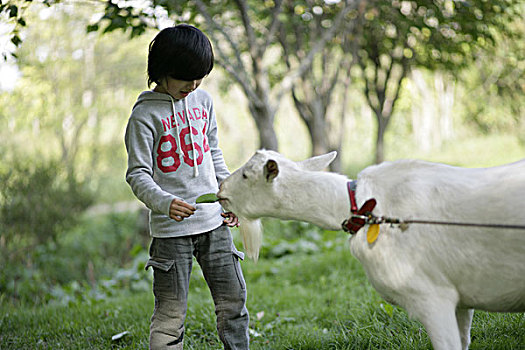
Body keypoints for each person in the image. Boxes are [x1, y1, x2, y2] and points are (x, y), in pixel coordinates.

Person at [125, 24, 250, 350]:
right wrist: (165, 202)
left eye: (199, 78)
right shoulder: (144, 116)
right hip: (170, 231)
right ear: (162, 71)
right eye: (185, 78)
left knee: (233, 301)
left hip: (214, 224)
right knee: (170, 313)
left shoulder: (202, 101)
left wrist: (228, 196)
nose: (192, 85)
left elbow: (212, 154)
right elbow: (137, 174)